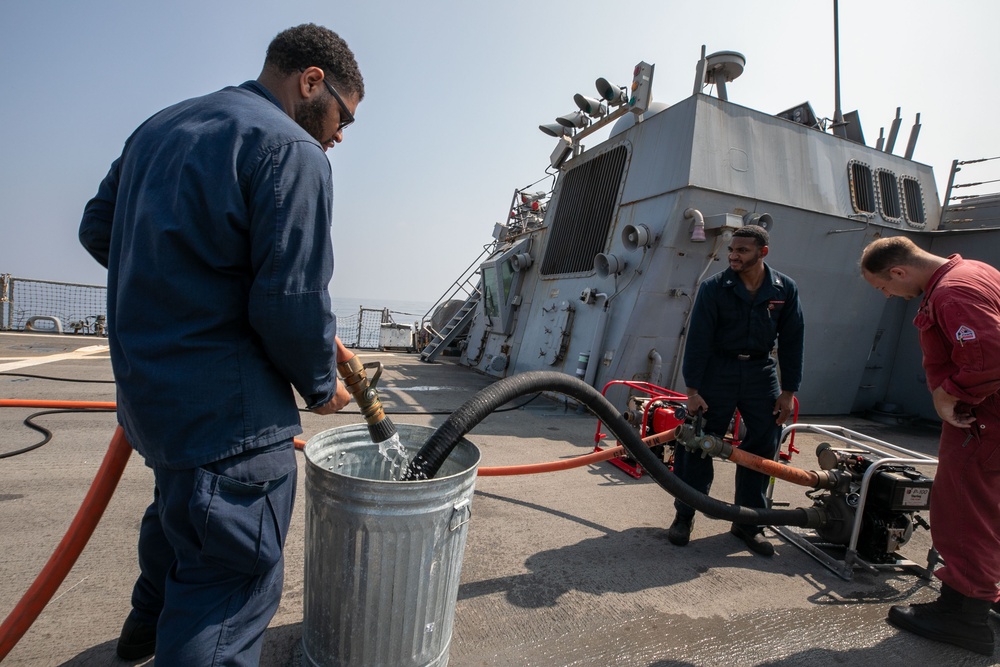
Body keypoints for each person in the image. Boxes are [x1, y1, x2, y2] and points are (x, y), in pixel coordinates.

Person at [78, 24, 363, 664]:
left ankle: (144, 630)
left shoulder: (160, 126)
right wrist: (322, 386)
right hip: (229, 416)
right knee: (231, 579)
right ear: (311, 81)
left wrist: (183, 288)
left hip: (152, 397)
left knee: (183, 516)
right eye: (344, 115)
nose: (340, 134)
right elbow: (289, 301)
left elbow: (100, 229)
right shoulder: (293, 151)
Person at [860, 236, 1000, 656]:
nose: (888, 295)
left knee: (965, 514)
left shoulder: (952, 291)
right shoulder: (976, 271)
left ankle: (964, 619)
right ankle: (981, 599)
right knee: (991, 514)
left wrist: (949, 393)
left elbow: (990, 356)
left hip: (982, 423)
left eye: (883, 287)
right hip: (989, 421)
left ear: (899, 271)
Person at [668, 225, 804, 556]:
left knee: (763, 445)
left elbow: (792, 340)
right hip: (719, 370)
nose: (733, 255)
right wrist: (692, 390)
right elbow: (698, 339)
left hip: (761, 372)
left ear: (763, 252)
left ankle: (748, 524)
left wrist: (788, 390)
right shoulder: (714, 288)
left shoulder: (784, 288)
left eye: (742, 250)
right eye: (732, 249)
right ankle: (684, 516)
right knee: (698, 442)